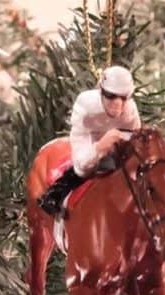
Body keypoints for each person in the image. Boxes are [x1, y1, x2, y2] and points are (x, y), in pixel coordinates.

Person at [38, 65, 142, 216]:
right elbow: (82, 164)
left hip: (116, 143)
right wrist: (99, 148)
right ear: (101, 91)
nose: (117, 104)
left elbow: (136, 139)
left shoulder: (131, 110)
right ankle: (57, 194)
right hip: (87, 136)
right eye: (111, 96)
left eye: (124, 97)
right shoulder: (85, 105)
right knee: (82, 171)